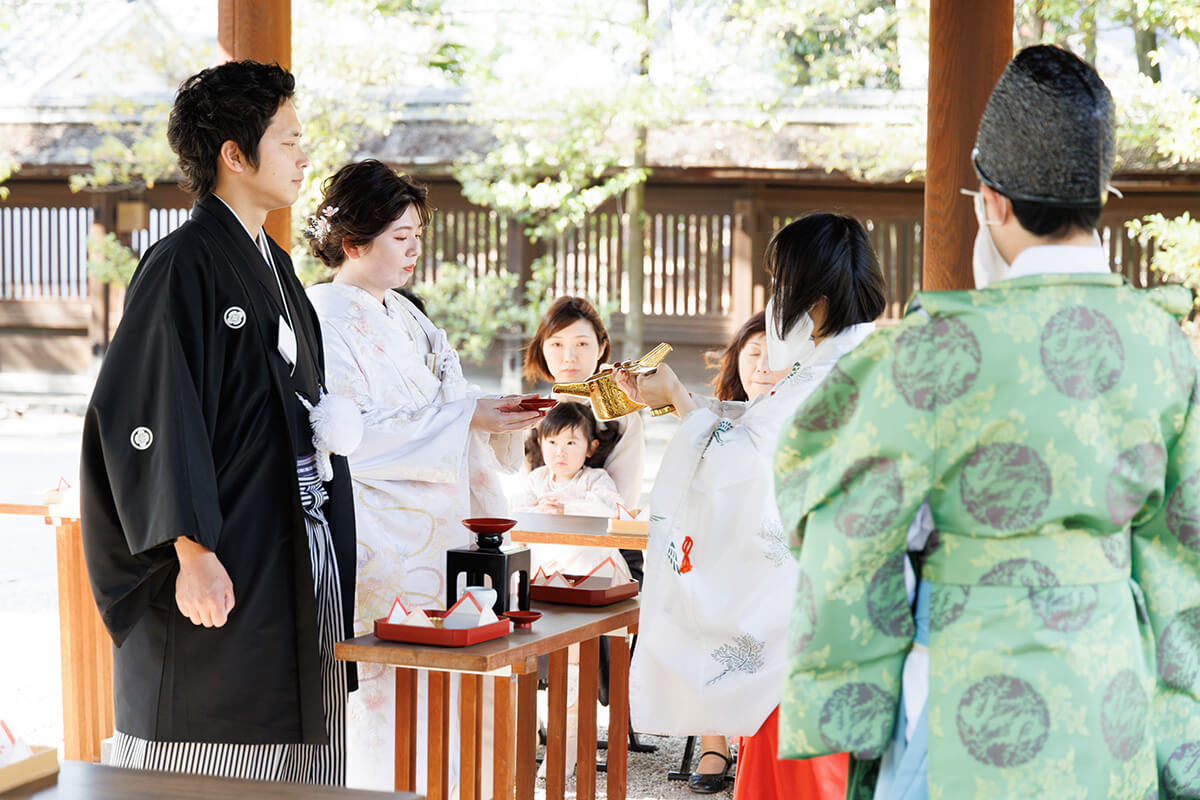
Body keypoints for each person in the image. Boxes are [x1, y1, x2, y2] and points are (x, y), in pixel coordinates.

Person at [774, 45, 1200, 799]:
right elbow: (1182, 553)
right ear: (1097, 199)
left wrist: (857, 693)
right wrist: (1180, 741)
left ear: (993, 202)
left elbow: (843, 522)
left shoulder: (933, 348)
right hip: (1110, 687)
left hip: (962, 686)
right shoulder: (1164, 344)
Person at [79, 60, 356, 784]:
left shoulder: (279, 267)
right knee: (212, 752)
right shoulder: (182, 264)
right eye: (288, 141)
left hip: (290, 542)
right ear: (235, 154)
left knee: (300, 748)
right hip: (223, 547)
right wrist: (191, 548)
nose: (303, 156)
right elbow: (149, 415)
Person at [623, 213, 886, 800]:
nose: (776, 299)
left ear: (814, 298)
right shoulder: (871, 358)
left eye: (781, 283)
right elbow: (756, 439)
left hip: (807, 617)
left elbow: (741, 465)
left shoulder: (824, 375)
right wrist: (681, 403)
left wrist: (676, 399)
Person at [304, 159, 541, 793]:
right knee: (390, 689)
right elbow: (348, 437)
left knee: (453, 676)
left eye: (417, 236)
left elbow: (448, 403)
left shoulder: (407, 315)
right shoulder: (320, 316)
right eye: (400, 237)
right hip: (378, 529)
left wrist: (491, 414)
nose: (414, 251)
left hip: (441, 528)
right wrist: (465, 416)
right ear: (354, 242)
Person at [511, 401, 630, 579]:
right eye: (552, 442)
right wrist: (540, 511)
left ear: (591, 448)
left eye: (571, 443)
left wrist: (566, 509)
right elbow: (516, 513)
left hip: (587, 562)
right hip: (546, 562)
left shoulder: (594, 478)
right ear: (540, 443)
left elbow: (612, 509)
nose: (560, 451)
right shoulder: (537, 479)